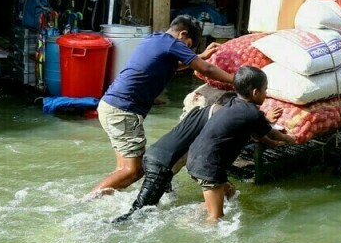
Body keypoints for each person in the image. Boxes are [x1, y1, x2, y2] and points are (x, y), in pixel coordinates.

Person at [92, 15, 234, 196]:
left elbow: (173, 65)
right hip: (123, 110)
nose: (187, 50)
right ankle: (87, 202)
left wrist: (199, 56)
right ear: (182, 34)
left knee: (122, 170)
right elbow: (206, 69)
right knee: (133, 171)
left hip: (110, 105)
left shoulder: (155, 39)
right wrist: (237, 80)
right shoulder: (172, 43)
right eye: (188, 46)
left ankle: (103, 200)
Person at [111, 93, 283, 223]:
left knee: (227, 190)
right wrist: (265, 120)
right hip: (163, 164)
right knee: (138, 215)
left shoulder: (198, 112)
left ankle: (189, 219)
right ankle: (111, 226)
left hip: (156, 157)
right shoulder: (219, 116)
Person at [186, 66, 297, 222]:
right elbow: (270, 132)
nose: (266, 94)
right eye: (265, 90)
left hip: (195, 158)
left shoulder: (233, 103)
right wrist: (289, 139)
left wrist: (272, 144)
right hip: (208, 167)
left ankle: (188, 220)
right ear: (255, 93)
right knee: (216, 218)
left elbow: (257, 134)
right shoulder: (252, 113)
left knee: (229, 192)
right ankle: (198, 232)